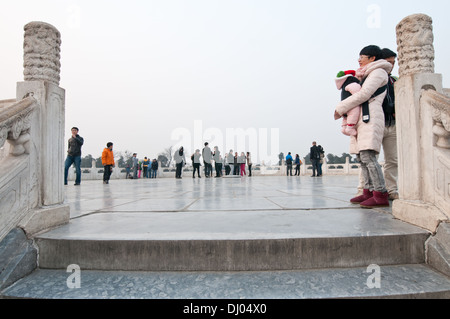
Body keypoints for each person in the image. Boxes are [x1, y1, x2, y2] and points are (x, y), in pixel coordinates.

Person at [334, 45, 392, 208]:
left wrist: (341, 108)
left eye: (362, 57)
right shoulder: (365, 74)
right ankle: (368, 191)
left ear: (372, 58)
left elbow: (364, 94)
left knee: (368, 155)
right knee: (361, 157)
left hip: (370, 116)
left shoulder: (378, 72)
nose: (359, 60)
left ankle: (380, 193)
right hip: (361, 118)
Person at [381, 48, 399, 200]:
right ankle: (363, 189)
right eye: (388, 62)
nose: (391, 65)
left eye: (393, 63)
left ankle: (391, 189)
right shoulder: (372, 78)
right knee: (368, 158)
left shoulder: (394, 81)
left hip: (392, 124)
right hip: (376, 123)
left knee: (393, 159)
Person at [335, 70, 362, 136]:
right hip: (351, 105)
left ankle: (344, 128)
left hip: (344, 105)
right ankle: (350, 127)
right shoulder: (351, 83)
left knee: (346, 117)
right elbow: (358, 92)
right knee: (353, 115)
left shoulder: (343, 85)